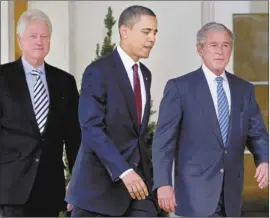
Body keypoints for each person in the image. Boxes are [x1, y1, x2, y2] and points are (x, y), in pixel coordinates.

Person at [152, 22, 269, 217]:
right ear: (200, 49)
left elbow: (257, 132)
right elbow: (163, 143)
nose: (220, 51)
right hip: (194, 194)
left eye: (225, 45)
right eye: (213, 45)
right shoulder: (179, 88)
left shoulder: (244, 89)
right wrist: (163, 183)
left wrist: (264, 160)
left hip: (231, 194)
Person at [65, 5, 158, 217]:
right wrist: (124, 171)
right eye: (146, 32)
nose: (152, 39)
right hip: (97, 194)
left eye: (154, 32)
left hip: (138, 193)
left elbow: (136, 135)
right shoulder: (98, 71)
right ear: (124, 31)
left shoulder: (145, 74)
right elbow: (91, 127)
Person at [0, 9, 81, 217]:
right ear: (20, 40)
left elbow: (74, 137)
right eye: (33, 36)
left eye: (44, 36)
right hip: (10, 189)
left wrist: (77, 182)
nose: (39, 41)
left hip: (50, 188)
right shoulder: (3, 77)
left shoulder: (64, 82)